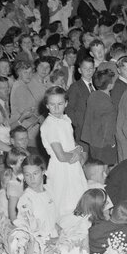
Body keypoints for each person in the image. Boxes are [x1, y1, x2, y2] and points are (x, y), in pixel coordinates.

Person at [41, 87, 89, 218]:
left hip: (72, 165)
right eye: (52, 104)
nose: (56, 108)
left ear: (66, 103)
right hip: (61, 168)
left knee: (79, 198)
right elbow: (61, 156)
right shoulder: (50, 125)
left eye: (60, 104)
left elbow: (70, 143)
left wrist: (77, 149)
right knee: (64, 203)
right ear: (47, 105)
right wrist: (77, 154)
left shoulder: (64, 120)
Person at [81, 68, 119, 165]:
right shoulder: (107, 104)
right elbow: (108, 126)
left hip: (92, 139)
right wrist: (111, 143)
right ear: (110, 85)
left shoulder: (93, 95)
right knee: (105, 167)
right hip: (104, 143)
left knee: (96, 165)